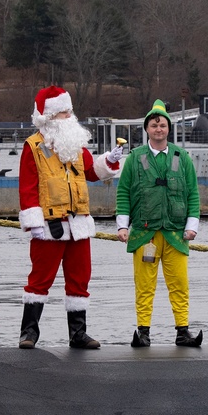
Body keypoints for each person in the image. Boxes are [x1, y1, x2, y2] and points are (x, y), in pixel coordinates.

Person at [17, 86, 124, 349]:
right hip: (48, 225)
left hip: (79, 224)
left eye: (69, 111)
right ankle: (29, 333)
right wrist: (33, 223)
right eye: (65, 112)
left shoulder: (75, 144)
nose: (69, 116)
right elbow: (28, 186)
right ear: (49, 117)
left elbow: (91, 171)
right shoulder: (33, 147)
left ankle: (78, 334)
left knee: (80, 278)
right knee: (40, 279)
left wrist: (109, 161)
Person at [116, 99, 202, 347]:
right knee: (144, 286)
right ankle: (143, 332)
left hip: (176, 234)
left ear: (168, 128)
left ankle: (182, 331)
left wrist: (192, 225)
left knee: (180, 285)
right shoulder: (135, 159)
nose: (158, 129)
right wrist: (123, 225)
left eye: (162, 125)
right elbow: (123, 193)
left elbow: (192, 194)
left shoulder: (182, 157)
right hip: (145, 234)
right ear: (147, 129)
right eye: (154, 125)